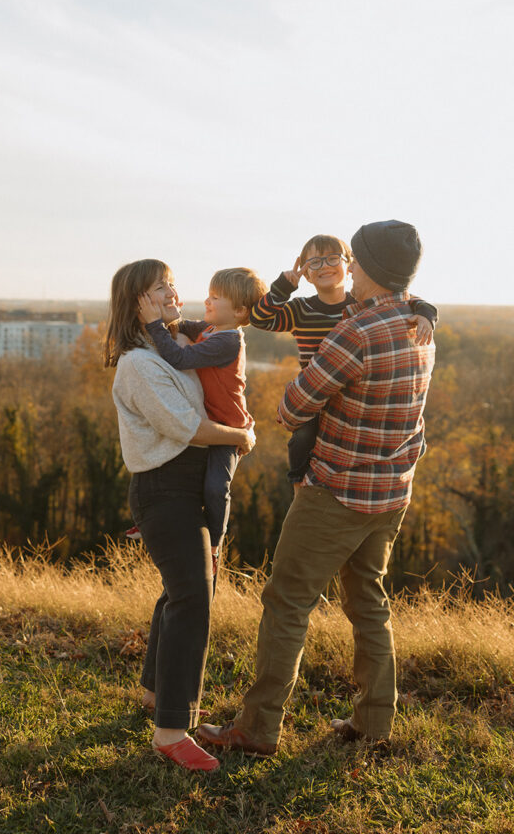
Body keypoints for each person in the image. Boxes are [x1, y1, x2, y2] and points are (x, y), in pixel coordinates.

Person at [197, 221, 436, 756]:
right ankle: (374, 722)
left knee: (287, 602)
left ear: (363, 266)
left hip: (336, 492)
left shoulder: (355, 333)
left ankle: (256, 730)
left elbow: (290, 409)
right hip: (391, 491)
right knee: (368, 600)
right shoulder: (418, 326)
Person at [105, 258, 255, 772]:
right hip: (164, 491)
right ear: (136, 303)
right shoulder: (138, 365)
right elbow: (189, 427)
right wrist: (242, 436)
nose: (172, 292)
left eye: (170, 283)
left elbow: (217, 394)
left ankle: (153, 693)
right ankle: (171, 730)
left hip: (190, 486)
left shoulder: (174, 351)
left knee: (181, 591)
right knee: (194, 596)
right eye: (158, 288)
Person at [249, 233, 436, 485]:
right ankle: (298, 478)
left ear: (349, 265)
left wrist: (426, 314)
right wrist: (283, 288)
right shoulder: (300, 309)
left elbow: (406, 299)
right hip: (316, 391)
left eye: (332, 259)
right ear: (305, 272)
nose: (324, 266)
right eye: (314, 262)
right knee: (303, 436)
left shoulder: (361, 303)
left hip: (356, 390)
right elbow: (260, 319)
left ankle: (410, 452)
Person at [135, 267, 267, 571]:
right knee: (184, 480)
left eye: (215, 297)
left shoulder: (228, 341)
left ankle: (215, 544)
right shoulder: (210, 329)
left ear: (238, 311)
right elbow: (181, 324)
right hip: (211, 423)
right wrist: (167, 313)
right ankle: (155, 521)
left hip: (229, 428)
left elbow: (179, 359)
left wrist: (154, 323)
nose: (207, 301)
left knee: (215, 487)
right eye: (208, 294)